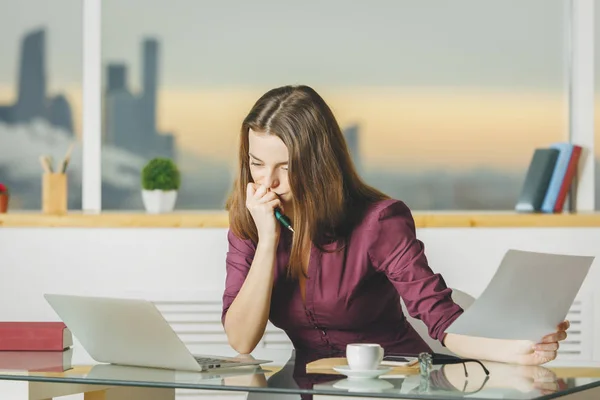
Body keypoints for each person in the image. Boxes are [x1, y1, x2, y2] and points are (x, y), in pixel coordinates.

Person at [221, 84, 569, 366]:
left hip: (395, 383)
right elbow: (241, 339)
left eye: (286, 166)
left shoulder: (379, 221)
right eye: (257, 164)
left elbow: (441, 319)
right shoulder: (250, 224)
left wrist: (517, 351)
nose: (268, 182)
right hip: (311, 385)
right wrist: (267, 241)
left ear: (318, 164)